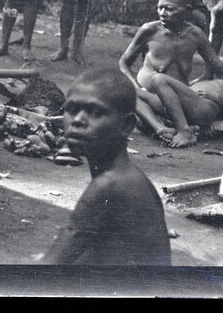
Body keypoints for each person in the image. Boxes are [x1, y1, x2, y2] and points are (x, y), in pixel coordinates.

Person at [40, 68, 172, 265]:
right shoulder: (130, 176)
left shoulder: (108, 186)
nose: (77, 121)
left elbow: (48, 267)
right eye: (72, 109)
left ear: (126, 125)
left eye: (95, 112)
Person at [119, 0, 223, 149]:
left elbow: (220, 69)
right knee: (123, 87)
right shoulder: (149, 30)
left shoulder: (195, 35)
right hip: (154, 99)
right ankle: (161, 129)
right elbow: (123, 63)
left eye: (169, 9)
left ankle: (183, 130)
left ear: (187, 11)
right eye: (160, 7)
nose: (162, 13)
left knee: (158, 80)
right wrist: (136, 85)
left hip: (181, 100)